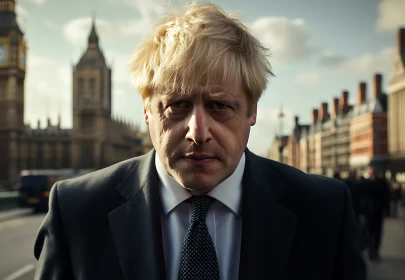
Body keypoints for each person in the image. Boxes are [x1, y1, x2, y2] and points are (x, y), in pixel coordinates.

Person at [33, 3, 366, 279]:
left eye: (220, 106)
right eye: (177, 105)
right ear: (147, 111)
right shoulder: (76, 211)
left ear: (252, 111)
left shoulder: (324, 212)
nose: (198, 132)